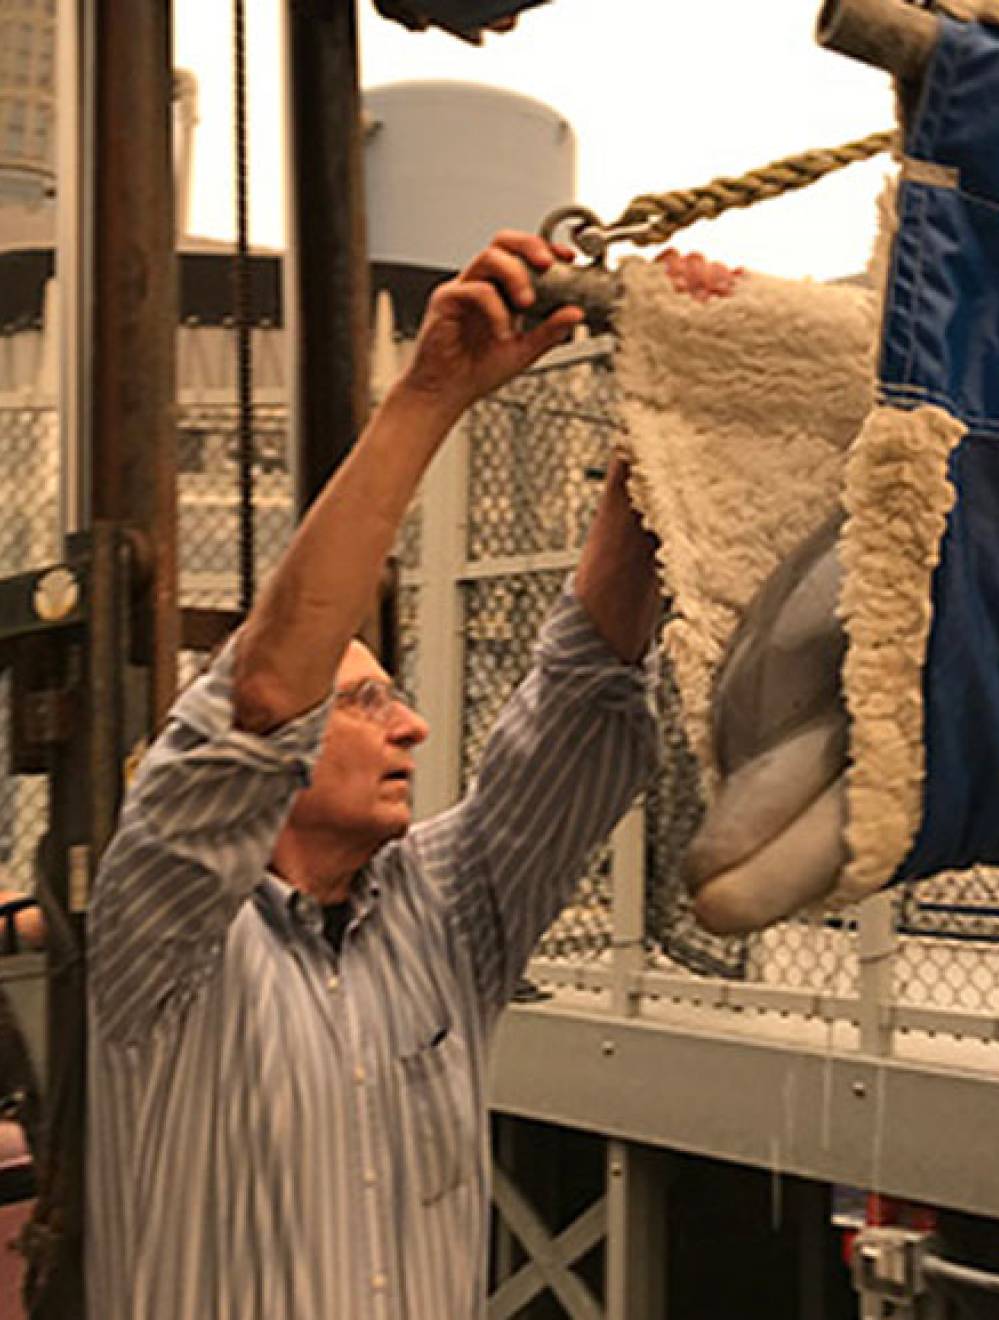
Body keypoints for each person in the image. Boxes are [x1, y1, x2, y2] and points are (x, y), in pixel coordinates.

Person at [85, 231, 734, 1319]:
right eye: (368, 701)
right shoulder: (167, 931)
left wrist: (662, 418)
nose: (415, 726)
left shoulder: (442, 912)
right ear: (281, 762)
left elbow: (582, 693)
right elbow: (258, 700)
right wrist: (431, 396)